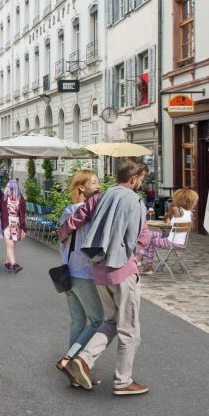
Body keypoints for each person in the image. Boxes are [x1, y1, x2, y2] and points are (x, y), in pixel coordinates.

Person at [57, 158, 150, 396]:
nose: (142, 183)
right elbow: (141, 236)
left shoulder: (100, 197)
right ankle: (123, 381)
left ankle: (83, 360)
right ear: (134, 179)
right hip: (122, 270)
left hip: (97, 270)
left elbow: (75, 220)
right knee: (129, 329)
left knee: (110, 321)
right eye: (142, 179)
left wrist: (63, 234)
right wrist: (136, 254)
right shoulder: (135, 201)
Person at [55, 170, 104, 386]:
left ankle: (75, 374)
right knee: (97, 320)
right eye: (93, 182)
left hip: (67, 273)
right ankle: (69, 360)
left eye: (97, 181)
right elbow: (94, 245)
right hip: (84, 273)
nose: (97, 185)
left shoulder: (68, 211)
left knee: (78, 321)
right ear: (81, 188)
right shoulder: (87, 214)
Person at [138, 188, 198, 273]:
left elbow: (165, 217)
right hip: (181, 242)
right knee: (149, 234)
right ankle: (140, 256)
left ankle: (148, 266)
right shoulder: (190, 213)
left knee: (151, 241)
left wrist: (168, 212)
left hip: (171, 242)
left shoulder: (175, 209)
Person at [0, 179, 28, 274]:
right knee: (10, 245)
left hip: (17, 224)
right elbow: (1, 214)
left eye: (9, 187)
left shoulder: (21, 200)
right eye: (6, 187)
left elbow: (23, 215)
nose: (7, 189)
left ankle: (7, 263)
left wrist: (24, 229)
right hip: (7, 224)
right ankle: (15, 265)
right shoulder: (4, 199)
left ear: (14, 188)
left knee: (12, 246)